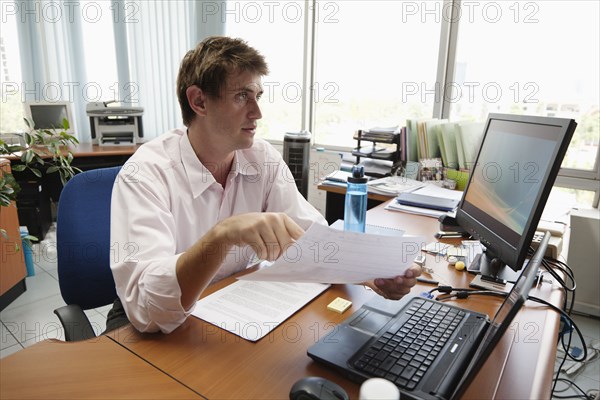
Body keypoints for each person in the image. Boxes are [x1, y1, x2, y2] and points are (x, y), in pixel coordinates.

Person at [108, 36, 421, 334]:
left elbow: (311, 237)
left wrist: (372, 274)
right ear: (199, 101)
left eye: (256, 96)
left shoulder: (260, 157)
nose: (257, 113)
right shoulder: (145, 174)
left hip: (227, 302)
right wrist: (223, 235)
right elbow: (147, 311)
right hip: (155, 325)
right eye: (242, 96)